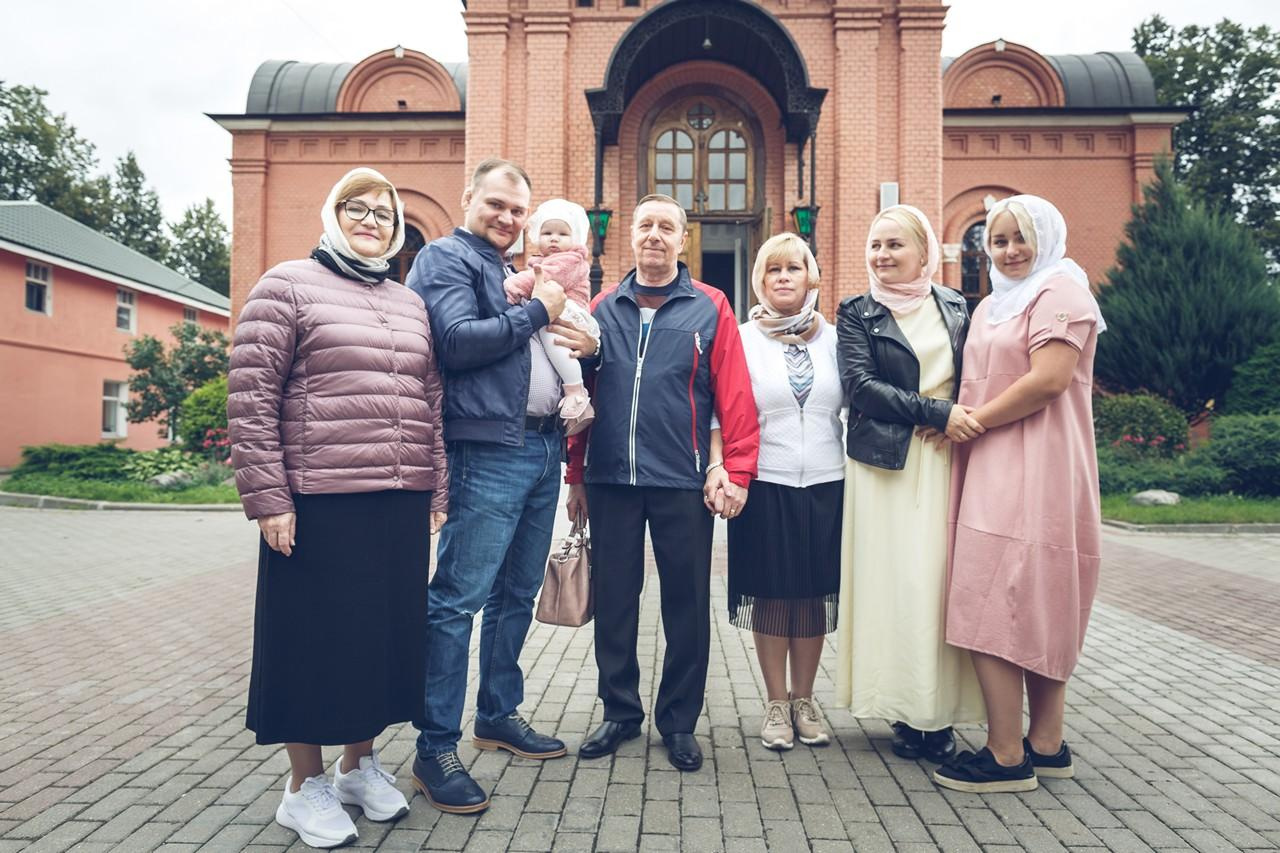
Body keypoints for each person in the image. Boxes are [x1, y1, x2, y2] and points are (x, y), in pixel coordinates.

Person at [229, 167, 448, 848]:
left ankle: (358, 766)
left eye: (385, 212)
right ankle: (304, 786)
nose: (371, 220)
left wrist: (437, 489)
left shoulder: (409, 303)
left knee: (378, 641)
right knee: (312, 643)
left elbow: (430, 400)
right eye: (358, 207)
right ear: (332, 212)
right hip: (317, 500)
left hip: (398, 499)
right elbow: (252, 397)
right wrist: (269, 498)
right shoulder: (287, 285)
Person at [405, 159, 597, 815]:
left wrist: (579, 340)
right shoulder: (446, 259)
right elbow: (457, 342)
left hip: (543, 445)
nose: (509, 218)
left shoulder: (509, 267)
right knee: (458, 599)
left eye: (519, 210)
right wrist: (540, 309)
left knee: (515, 593)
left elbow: (557, 339)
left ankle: (497, 713)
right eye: (497, 204)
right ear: (469, 197)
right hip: (487, 449)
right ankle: (435, 747)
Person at [565, 193, 759, 772]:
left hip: (682, 479)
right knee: (615, 601)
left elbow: (735, 395)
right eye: (645, 224)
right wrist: (575, 474)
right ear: (632, 235)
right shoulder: (602, 308)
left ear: (682, 240)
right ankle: (620, 712)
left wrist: (737, 469)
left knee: (687, 604)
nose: (654, 235)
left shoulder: (711, 306)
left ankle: (678, 722)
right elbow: (582, 397)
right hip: (611, 479)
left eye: (666, 227)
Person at [934, 194, 1106, 793]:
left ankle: (1007, 754)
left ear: (1047, 238)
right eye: (997, 240)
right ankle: (1046, 746)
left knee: (1003, 598)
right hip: (992, 463)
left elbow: (1048, 381)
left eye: (1019, 238)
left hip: (1039, 465)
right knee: (1021, 596)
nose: (1008, 251)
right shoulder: (992, 305)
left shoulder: (1062, 293)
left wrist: (971, 422)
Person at [834, 205, 986, 765]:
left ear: (924, 251)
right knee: (895, 584)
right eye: (875, 245)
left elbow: (977, 375)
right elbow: (860, 386)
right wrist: (936, 411)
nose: (882, 255)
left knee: (938, 582)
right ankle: (901, 705)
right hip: (885, 467)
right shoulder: (857, 312)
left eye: (895, 244)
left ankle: (937, 710)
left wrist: (959, 418)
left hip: (946, 458)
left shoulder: (956, 305)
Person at [721, 233, 843, 751]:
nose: (784, 277)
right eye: (773, 269)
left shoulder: (835, 338)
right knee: (771, 594)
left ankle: (804, 699)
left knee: (812, 595)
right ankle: (775, 701)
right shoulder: (743, 339)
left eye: (794, 267)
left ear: (811, 276)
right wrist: (723, 469)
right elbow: (720, 408)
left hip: (826, 480)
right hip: (765, 481)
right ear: (760, 280)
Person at [504, 198, 601, 434]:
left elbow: (541, 277)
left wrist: (510, 286)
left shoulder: (570, 260)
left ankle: (575, 391)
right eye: (547, 233)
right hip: (562, 309)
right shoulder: (545, 260)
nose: (554, 239)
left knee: (552, 335)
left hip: (572, 312)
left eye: (562, 234)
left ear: (575, 238)